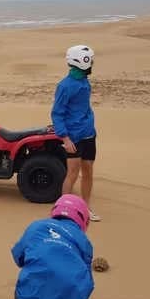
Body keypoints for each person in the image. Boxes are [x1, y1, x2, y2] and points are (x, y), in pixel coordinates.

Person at [11, 194, 95, 299]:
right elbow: (87, 281)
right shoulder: (84, 242)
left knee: (32, 271)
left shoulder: (36, 226)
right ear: (83, 220)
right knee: (76, 279)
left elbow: (18, 256)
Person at [51, 44, 101, 221]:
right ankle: (63, 210)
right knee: (72, 173)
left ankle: (85, 208)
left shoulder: (84, 81)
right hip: (72, 136)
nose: (92, 63)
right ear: (81, 61)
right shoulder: (65, 86)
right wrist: (65, 138)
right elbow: (57, 113)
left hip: (88, 134)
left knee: (88, 171)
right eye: (90, 61)